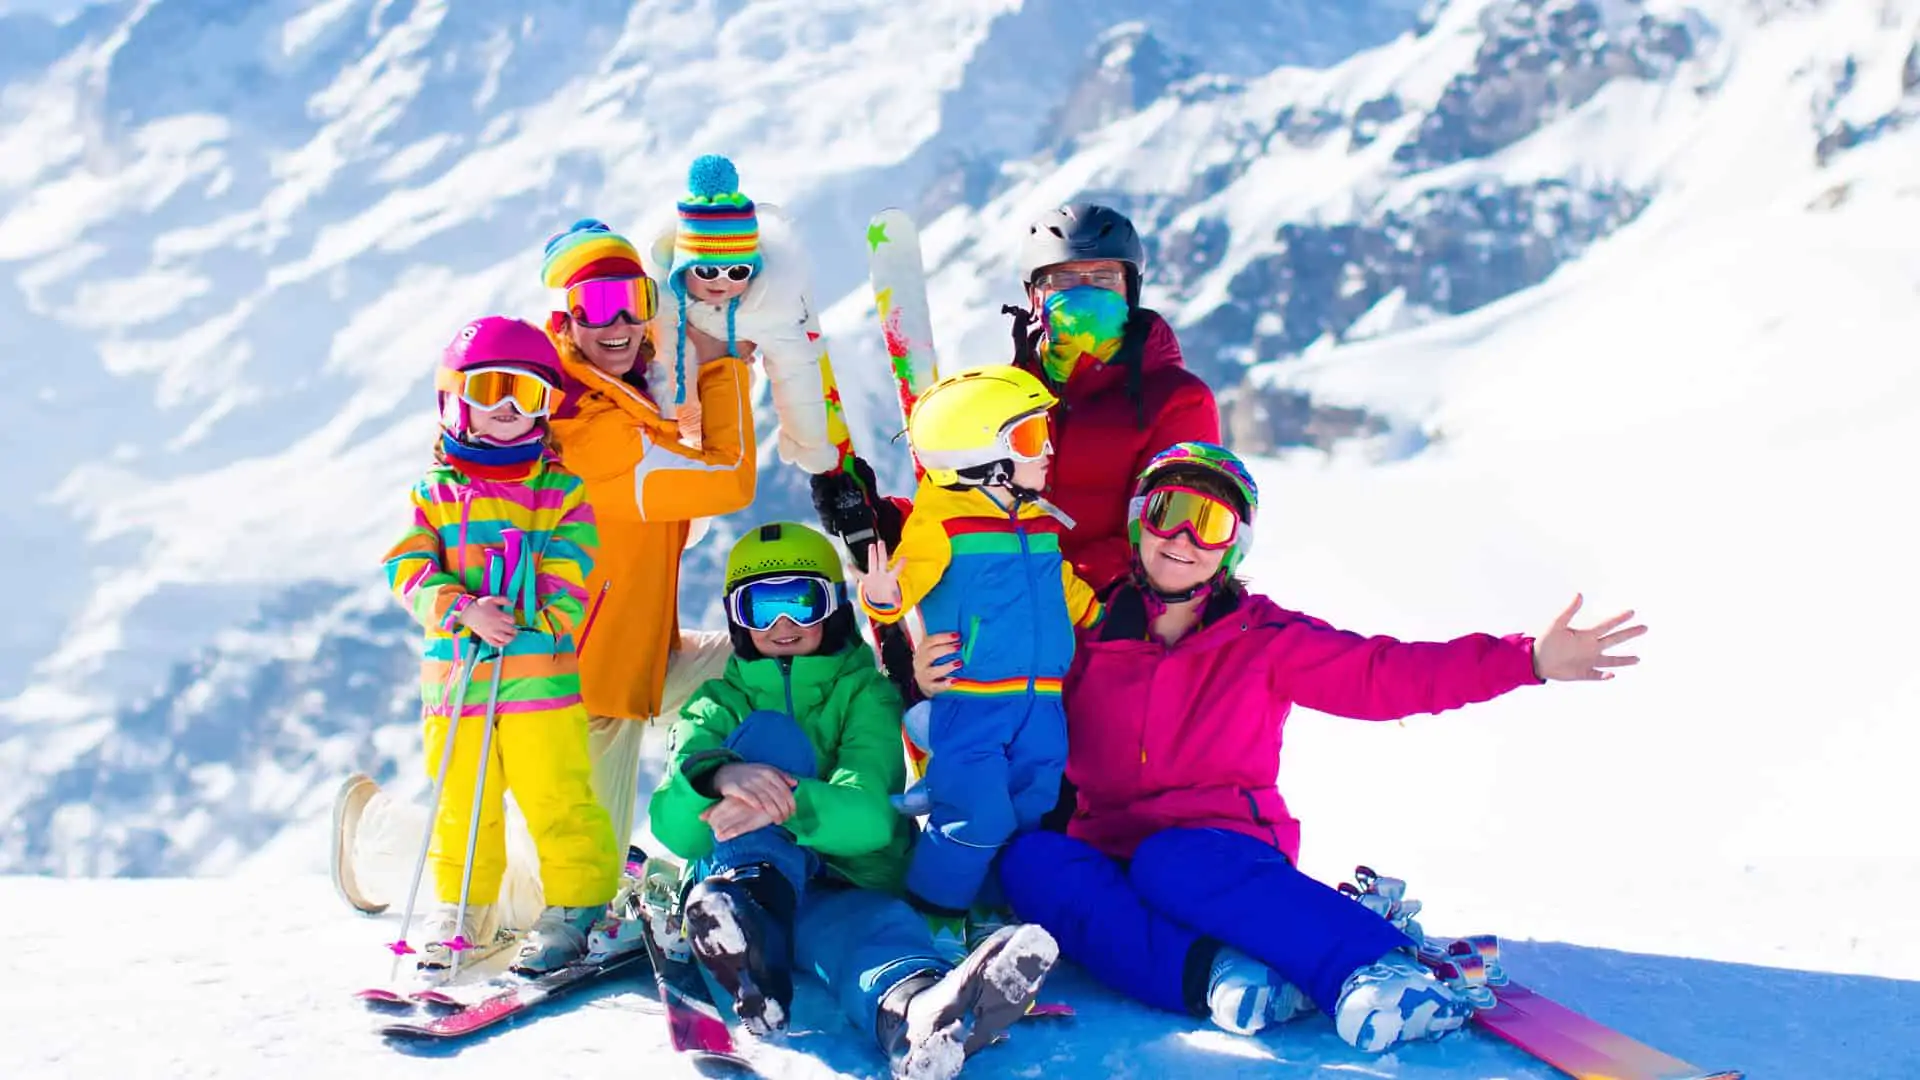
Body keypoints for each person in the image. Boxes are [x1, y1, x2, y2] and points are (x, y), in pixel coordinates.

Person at [916, 442, 1649, 1053]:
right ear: (1142, 523)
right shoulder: (1085, 633)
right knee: (1035, 862)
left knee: (1174, 859)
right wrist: (923, 675)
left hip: (1221, 851)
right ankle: (1224, 976)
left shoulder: (1263, 639)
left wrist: (1526, 660)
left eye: (1210, 523)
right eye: (1170, 513)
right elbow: (1001, 688)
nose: (1184, 538)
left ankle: (1370, 965)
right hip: (1111, 852)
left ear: (1234, 545)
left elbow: (1385, 674)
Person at [330, 220, 756, 927]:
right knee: (538, 901)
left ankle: (731, 844)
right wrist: (719, 367)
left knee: (795, 661)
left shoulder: (624, 395)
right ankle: (378, 839)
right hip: (580, 680)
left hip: (642, 654)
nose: (617, 321)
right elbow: (728, 482)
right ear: (564, 316)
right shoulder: (587, 425)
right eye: (594, 305)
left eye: (632, 298)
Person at [648, 522, 1062, 1079]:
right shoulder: (716, 702)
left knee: (872, 935)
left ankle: (918, 1016)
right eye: (761, 606)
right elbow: (675, 828)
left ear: (833, 607)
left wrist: (779, 801)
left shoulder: (865, 693)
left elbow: (869, 818)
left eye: (800, 599)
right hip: (748, 882)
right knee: (769, 738)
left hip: (844, 887)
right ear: (736, 617)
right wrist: (720, 776)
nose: (783, 623)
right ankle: (745, 931)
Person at [813, 202, 1218, 598]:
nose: (1083, 291)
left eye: (1104, 277)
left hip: (1115, 618)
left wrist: (1046, 586)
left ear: (1131, 290)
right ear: (1033, 296)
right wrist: (884, 520)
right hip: (1011, 616)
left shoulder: (1179, 401)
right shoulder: (1003, 398)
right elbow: (967, 506)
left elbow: (1167, 532)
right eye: (1061, 280)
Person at [379, 315, 619, 975]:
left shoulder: (559, 492)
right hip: (456, 687)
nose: (510, 410)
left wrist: (533, 618)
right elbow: (406, 569)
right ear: (454, 398)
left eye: (530, 394)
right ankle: (462, 912)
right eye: (493, 391)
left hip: (538, 687)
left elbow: (574, 573)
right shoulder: (435, 495)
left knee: (559, 797)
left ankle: (577, 908)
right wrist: (461, 609)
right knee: (463, 808)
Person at [855, 366, 1102, 951]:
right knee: (974, 816)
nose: (1045, 450)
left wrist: (1100, 614)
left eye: (1043, 432)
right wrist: (884, 594)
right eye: (1026, 439)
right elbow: (906, 582)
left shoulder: (1039, 520)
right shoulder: (942, 520)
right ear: (979, 456)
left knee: (1030, 807)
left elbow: (1058, 585)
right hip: (975, 702)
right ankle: (928, 920)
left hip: (1042, 703)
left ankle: (990, 911)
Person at [644, 153, 839, 474]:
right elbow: (654, 360)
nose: (722, 281)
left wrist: (808, 440)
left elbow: (795, 373)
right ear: (682, 268)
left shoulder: (764, 307)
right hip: (668, 425)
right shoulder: (662, 301)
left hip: (723, 407)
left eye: (737, 272)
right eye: (707, 271)